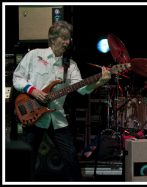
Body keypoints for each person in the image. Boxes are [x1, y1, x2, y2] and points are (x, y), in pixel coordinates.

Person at [12, 20, 111, 181]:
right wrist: (33, 91)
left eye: (69, 38)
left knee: (71, 158)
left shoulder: (70, 65)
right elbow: (17, 78)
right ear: (52, 39)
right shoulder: (34, 55)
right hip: (32, 115)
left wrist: (99, 82)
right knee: (25, 159)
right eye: (64, 38)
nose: (67, 42)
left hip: (56, 118)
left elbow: (81, 88)